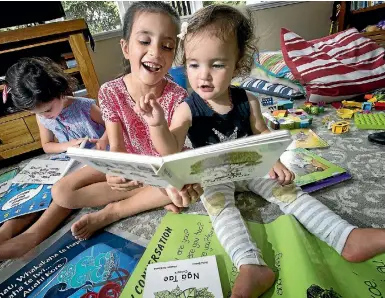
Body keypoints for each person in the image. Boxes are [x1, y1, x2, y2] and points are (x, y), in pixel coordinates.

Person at [135, 5, 385, 298]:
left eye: (216, 65)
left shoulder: (248, 100)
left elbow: (262, 133)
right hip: (215, 174)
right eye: (193, 65)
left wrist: (274, 160)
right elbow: (170, 148)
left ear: (237, 63)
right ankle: (251, 266)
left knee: (291, 193)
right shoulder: (186, 109)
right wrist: (157, 125)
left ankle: (345, 237)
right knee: (219, 207)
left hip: (252, 166)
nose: (204, 76)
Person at [51, 1, 203, 241]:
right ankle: (148, 194)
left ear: (174, 54)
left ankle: (115, 211)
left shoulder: (178, 97)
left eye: (167, 46)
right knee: (61, 192)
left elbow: (173, 154)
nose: (155, 52)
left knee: (181, 184)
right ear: (125, 47)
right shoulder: (110, 91)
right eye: (145, 41)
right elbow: (117, 147)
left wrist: (157, 126)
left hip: (162, 167)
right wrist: (115, 173)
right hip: (130, 164)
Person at [0, 57, 108, 267]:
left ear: (59, 90)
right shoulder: (42, 116)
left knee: (62, 192)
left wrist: (101, 142)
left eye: (48, 109)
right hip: (68, 159)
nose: (46, 115)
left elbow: (114, 126)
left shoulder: (85, 107)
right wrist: (68, 145)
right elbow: (47, 146)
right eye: (38, 112)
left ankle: (30, 237)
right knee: (36, 187)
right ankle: (4, 232)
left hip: (95, 158)